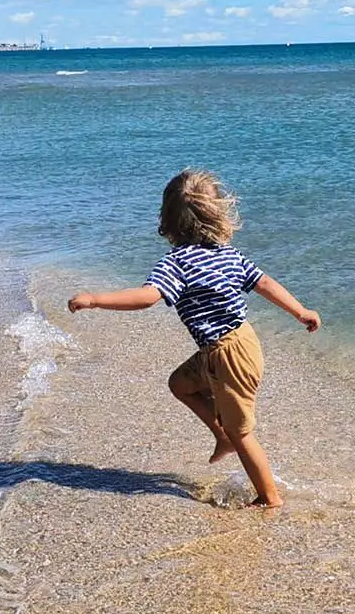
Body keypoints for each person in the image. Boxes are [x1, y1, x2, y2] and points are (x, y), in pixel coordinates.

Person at [67, 169, 319, 507]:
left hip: (227, 355)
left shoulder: (177, 263)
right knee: (180, 384)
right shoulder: (229, 255)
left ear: (167, 221)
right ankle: (221, 435)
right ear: (219, 215)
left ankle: (269, 499)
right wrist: (300, 311)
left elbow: (148, 297)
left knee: (243, 434)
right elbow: (265, 283)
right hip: (240, 343)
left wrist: (96, 300)